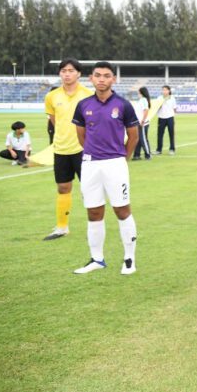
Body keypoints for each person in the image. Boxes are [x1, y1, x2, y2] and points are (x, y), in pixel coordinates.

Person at [70, 61, 141, 275]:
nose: (102, 79)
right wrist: (94, 154)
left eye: (106, 75)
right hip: (90, 164)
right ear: (91, 78)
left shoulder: (123, 105)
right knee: (93, 211)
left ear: (113, 79)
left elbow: (134, 136)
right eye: (98, 75)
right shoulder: (83, 105)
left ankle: (129, 259)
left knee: (122, 209)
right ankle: (97, 259)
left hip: (115, 164)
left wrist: (121, 158)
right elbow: (81, 135)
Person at [43, 58, 94, 241]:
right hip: (61, 148)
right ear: (60, 73)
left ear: (78, 73)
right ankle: (62, 227)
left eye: (71, 71)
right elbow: (55, 121)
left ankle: (95, 226)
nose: (67, 74)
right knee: (63, 187)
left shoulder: (88, 95)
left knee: (88, 189)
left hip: (84, 149)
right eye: (63, 71)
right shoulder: (51, 96)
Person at [155, 85, 177, 155]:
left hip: (170, 118)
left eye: (165, 90)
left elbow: (174, 108)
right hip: (161, 118)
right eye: (163, 90)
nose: (164, 91)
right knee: (160, 134)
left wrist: (173, 116)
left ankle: (172, 149)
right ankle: (159, 150)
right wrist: (159, 106)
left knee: (171, 134)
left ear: (169, 91)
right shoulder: (159, 98)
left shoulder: (172, 98)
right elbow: (156, 108)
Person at [131, 87, 152, 161]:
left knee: (143, 139)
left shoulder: (143, 100)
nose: (138, 93)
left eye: (138, 92)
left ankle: (148, 154)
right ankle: (136, 155)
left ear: (141, 92)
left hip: (142, 123)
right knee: (138, 139)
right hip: (139, 122)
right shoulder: (141, 100)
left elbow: (146, 110)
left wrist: (143, 121)